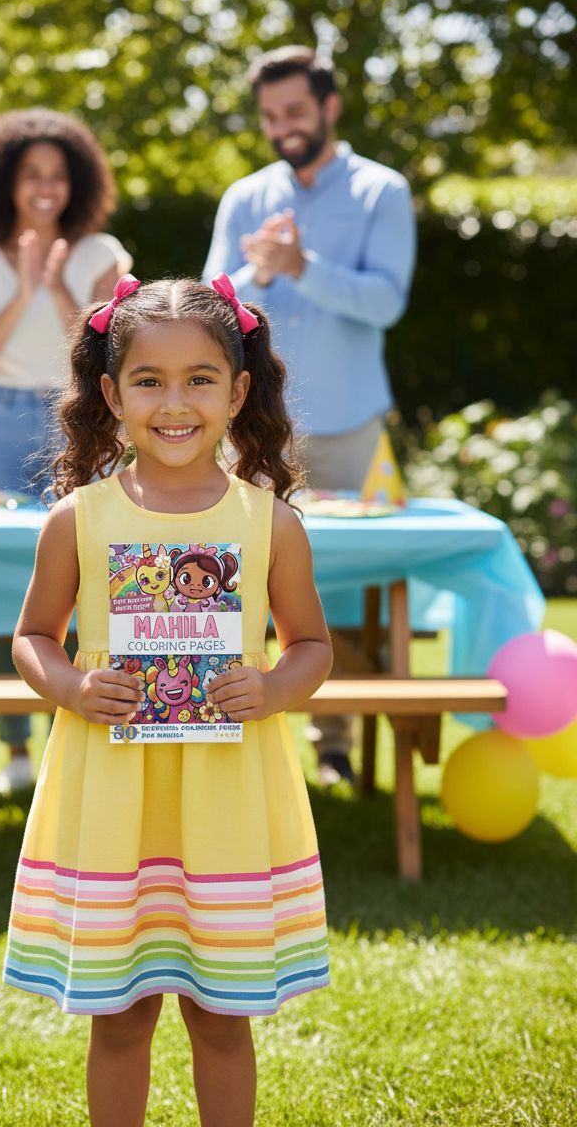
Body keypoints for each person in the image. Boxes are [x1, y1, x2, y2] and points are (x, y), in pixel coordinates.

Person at [3, 273, 333, 1127]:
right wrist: (73, 685)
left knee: (222, 1016)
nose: (174, 402)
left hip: (226, 801)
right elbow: (33, 636)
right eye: (149, 380)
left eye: (200, 379)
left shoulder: (271, 524)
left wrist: (269, 689)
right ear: (111, 393)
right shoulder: (78, 519)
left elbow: (312, 648)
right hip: (115, 804)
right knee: (120, 1017)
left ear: (239, 392)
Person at [204, 45, 416, 787]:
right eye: (269, 116)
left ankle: (335, 748)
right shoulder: (245, 197)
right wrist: (256, 274)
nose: (282, 127)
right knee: (234, 584)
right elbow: (208, 300)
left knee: (351, 599)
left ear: (330, 107)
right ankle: (228, 735)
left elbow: (388, 300)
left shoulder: (381, 192)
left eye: (294, 111)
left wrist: (305, 270)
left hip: (352, 425)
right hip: (254, 429)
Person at [0, 109, 131, 795]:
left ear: (77, 181)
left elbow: (100, 351)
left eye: (57, 175)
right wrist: (21, 286)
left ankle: (76, 740)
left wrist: (52, 286)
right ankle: (15, 752)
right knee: (7, 590)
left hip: (74, 417)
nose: (45, 187)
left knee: (87, 581)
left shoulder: (100, 253)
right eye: (31, 175)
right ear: (6, 182)